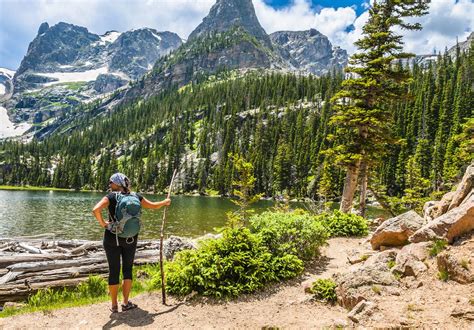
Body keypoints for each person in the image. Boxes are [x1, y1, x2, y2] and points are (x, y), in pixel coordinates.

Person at [92, 172, 171, 313]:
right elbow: (153, 206)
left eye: (111, 182)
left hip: (112, 238)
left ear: (117, 184)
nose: (109, 185)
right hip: (130, 239)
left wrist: (104, 224)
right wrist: (165, 202)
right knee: (127, 270)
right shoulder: (136, 196)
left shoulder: (111, 196)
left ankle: (114, 306)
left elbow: (95, 209)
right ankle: (126, 303)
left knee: (114, 270)